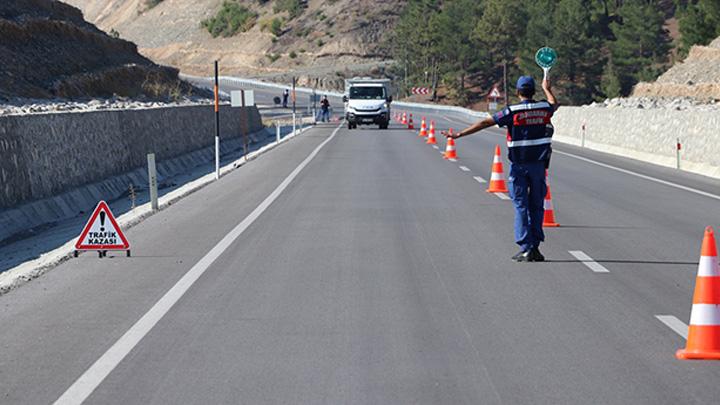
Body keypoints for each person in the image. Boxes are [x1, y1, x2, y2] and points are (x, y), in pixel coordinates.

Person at [443, 76, 559, 262]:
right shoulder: (543, 108)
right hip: (539, 166)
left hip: (519, 167)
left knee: (521, 205)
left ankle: (525, 246)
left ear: (518, 91)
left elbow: (485, 123)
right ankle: (535, 247)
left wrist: (459, 134)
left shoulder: (512, 111)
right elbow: (554, 103)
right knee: (537, 206)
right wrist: (547, 88)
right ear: (533, 91)